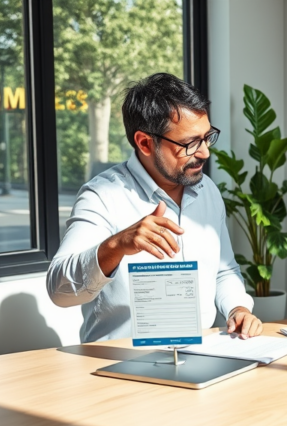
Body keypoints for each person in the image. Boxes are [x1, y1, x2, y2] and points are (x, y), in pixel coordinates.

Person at [47, 73, 262, 342]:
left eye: (207, 137)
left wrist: (238, 308)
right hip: (119, 365)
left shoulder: (208, 191)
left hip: (200, 357)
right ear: (145, 143)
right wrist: (117, 245)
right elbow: (59, 290)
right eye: (191, 143)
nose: (205, 152)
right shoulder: (102, 195)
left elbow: (223, 271)